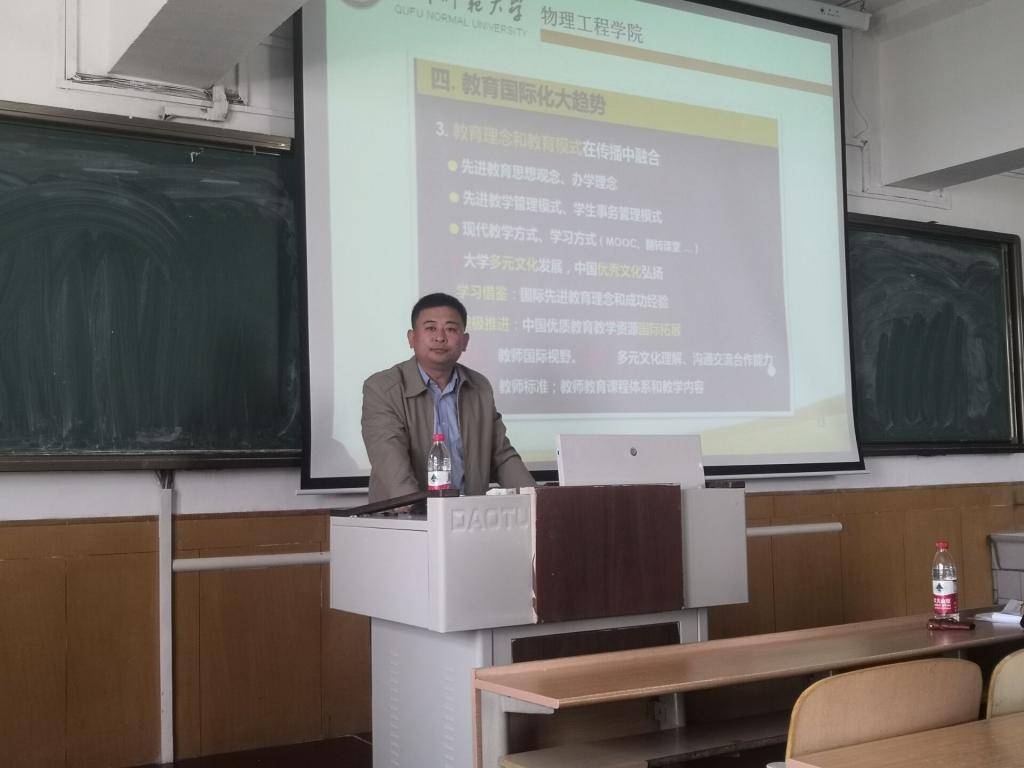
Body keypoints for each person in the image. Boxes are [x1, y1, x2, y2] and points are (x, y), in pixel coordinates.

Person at [361, 292, 535, 502]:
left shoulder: (479, 387)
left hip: (469, 514)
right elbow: (391, 462)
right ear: (412, 338)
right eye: (430, 328)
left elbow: (501, 456)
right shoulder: (382, 388)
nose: (440, 337)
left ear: (465, 341)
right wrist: (422, 510)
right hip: (406, 516)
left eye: (451, 329)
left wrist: (537, 499)